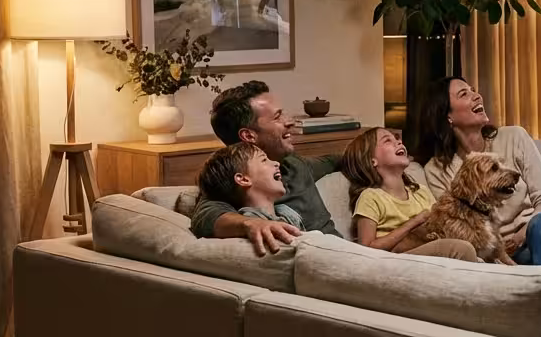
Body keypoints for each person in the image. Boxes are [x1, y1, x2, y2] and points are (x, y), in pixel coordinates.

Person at [418, 77, 541, 266]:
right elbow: (458, 221)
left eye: (473, 90)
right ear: (447, 116)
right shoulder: (438, 170)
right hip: (524, 250)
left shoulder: (514, 136)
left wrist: (524, 233)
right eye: (464, 94)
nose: (477, 96)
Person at [190, 80, 339, 255]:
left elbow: (333, 161)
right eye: (277, 117)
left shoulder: (294, 163)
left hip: (353, 254)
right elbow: (204, 216)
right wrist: (251, 224)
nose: (290, 121)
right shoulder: (232, 179)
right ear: (248, 135)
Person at [338, 127, 480, 261]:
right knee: (461, 249)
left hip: (427, 251)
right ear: (371, 160)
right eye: (387, 140)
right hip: (396, 261)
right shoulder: (370, 197)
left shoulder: (420, 192)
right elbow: (366, 248)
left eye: (397, 139)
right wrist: (415, 222)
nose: (399, 142)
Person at [196, 142, 303, 228]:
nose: (276, 163)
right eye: (264, 160)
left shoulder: (286, 213)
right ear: (243, 179)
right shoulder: (250, 221)